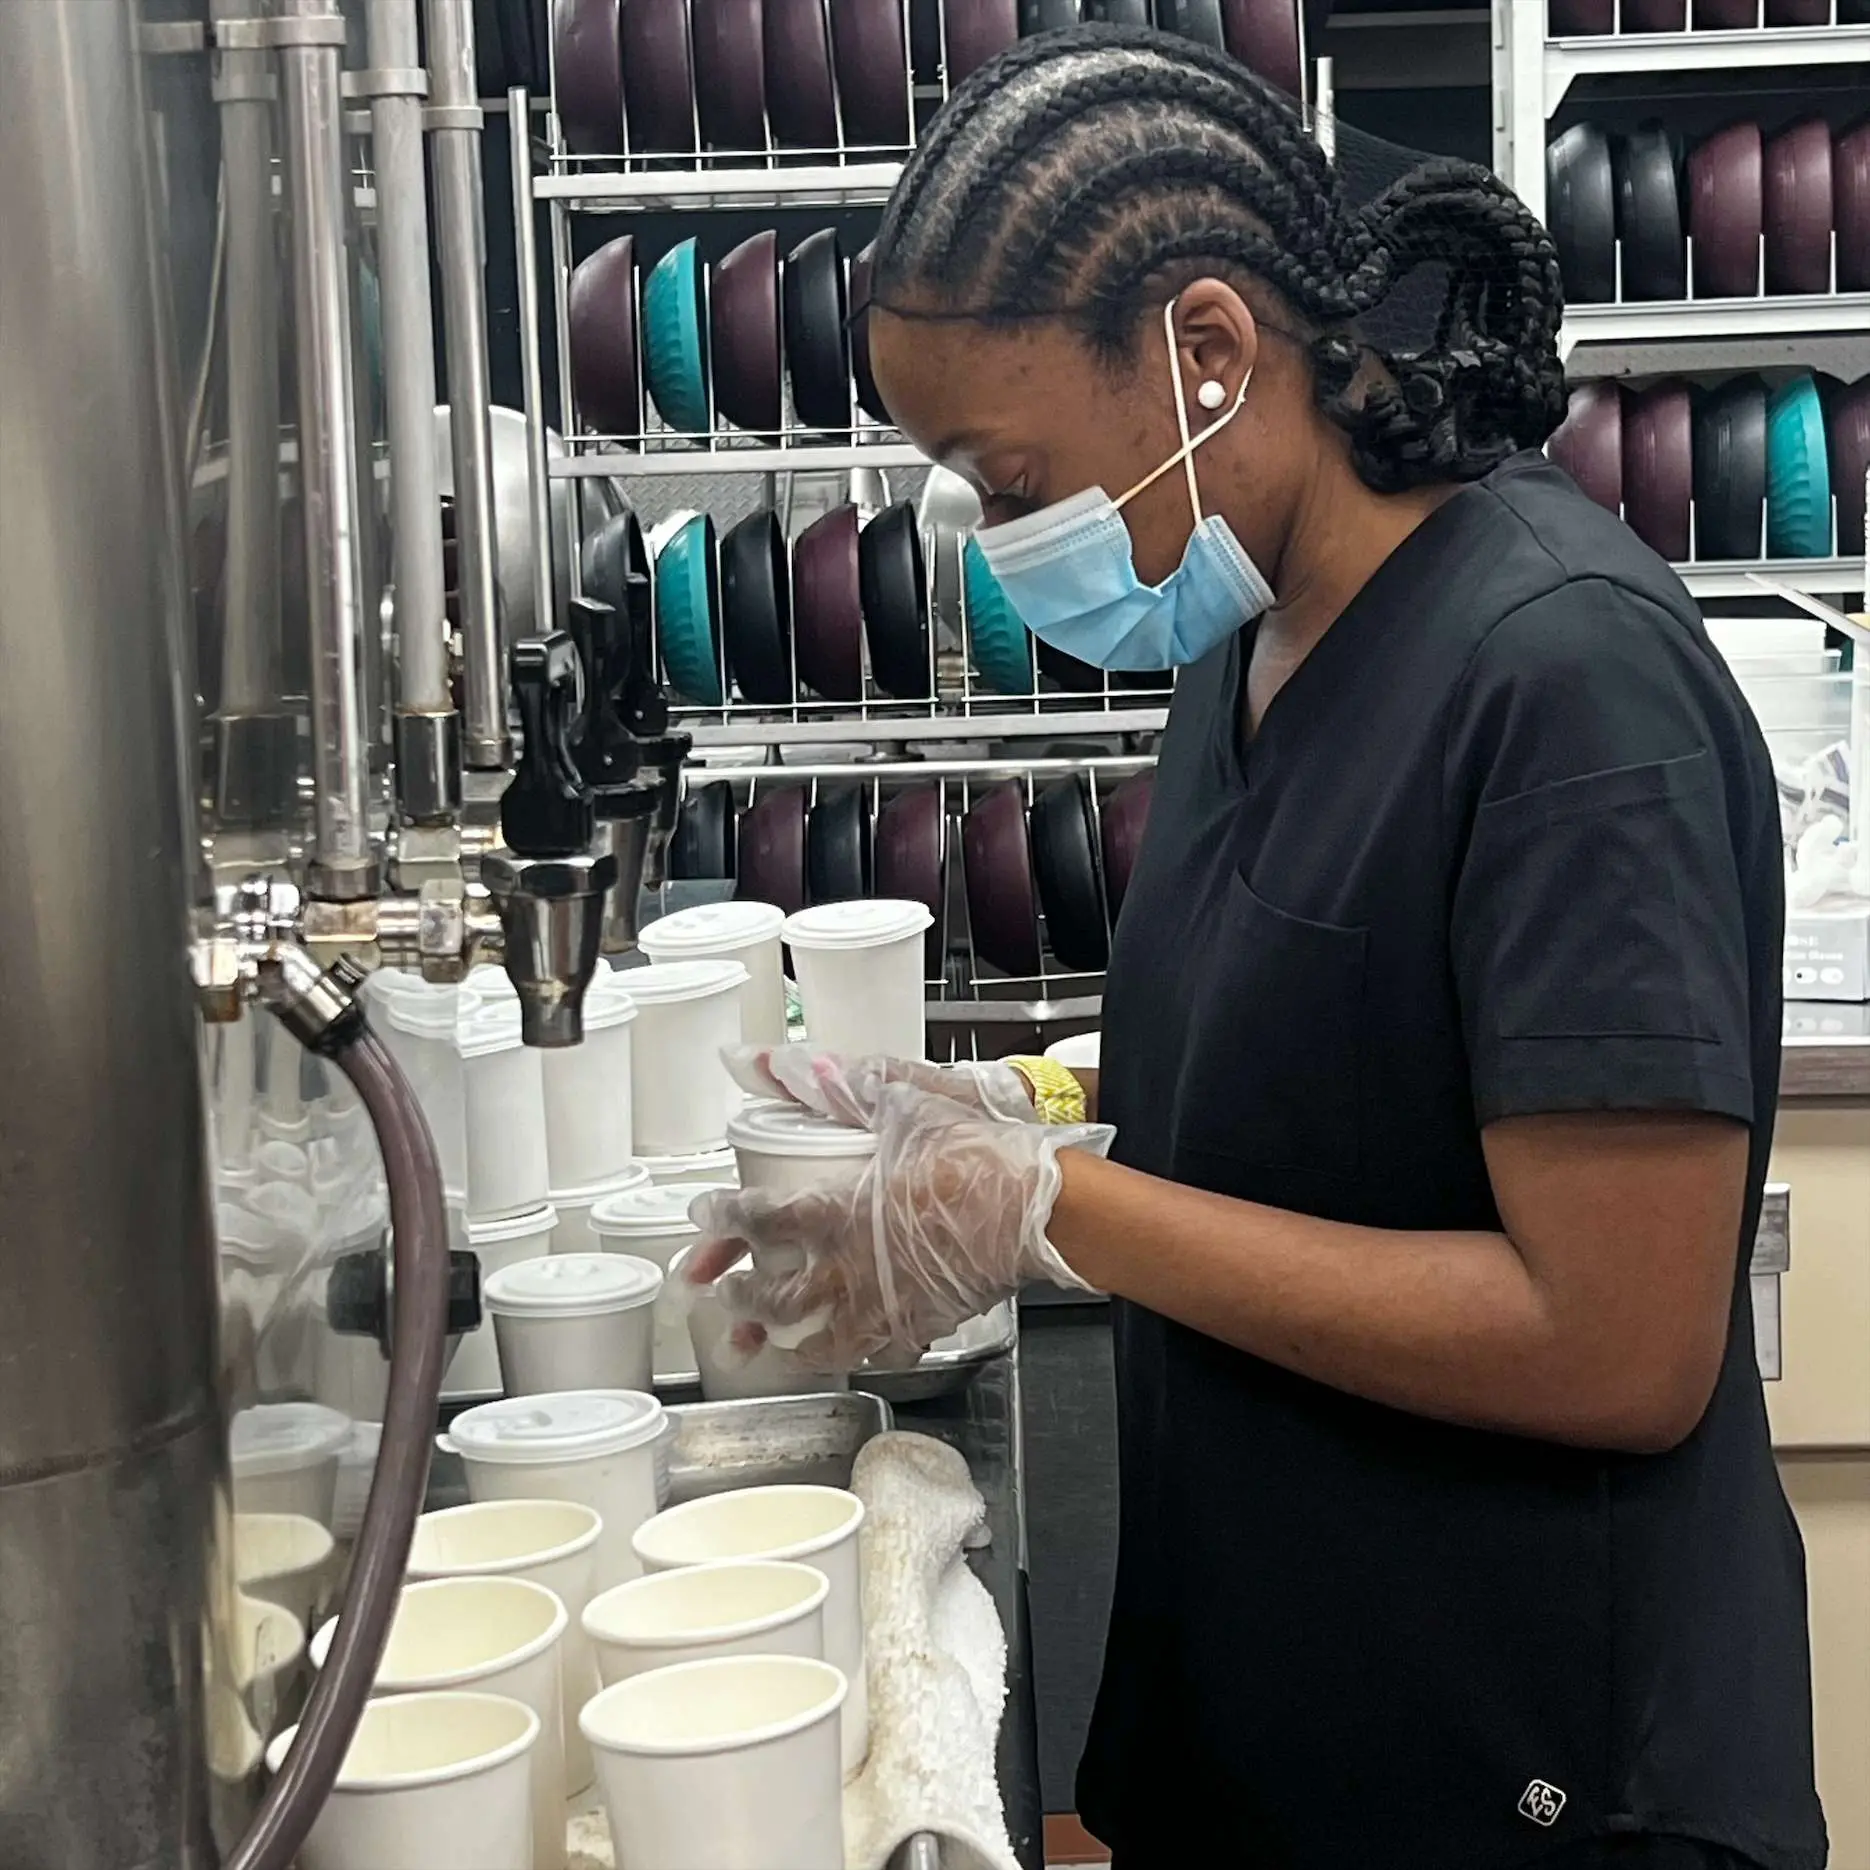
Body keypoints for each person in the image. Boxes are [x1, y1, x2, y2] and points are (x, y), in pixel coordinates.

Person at [688, 25, 1825, 1870]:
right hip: (1296, 1701)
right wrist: (966, 1122)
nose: (989, 533)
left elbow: (1616, 1342)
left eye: (1005, 463)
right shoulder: (1250, 643)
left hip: (1529, 1759)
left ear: (1205, 352)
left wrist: (1044, 1204)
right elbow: (1320, 1073)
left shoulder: (1563, 683)